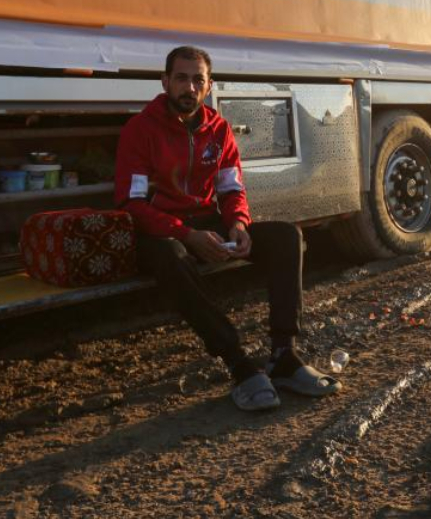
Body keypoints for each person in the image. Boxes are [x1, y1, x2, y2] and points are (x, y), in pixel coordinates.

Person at [115, 46, 341, 411]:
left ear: (208, 86)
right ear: (164, 82)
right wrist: (186, 235)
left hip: (207, 224)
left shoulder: (218, 128)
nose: (189, 87)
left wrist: (238, 224)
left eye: (197, 80)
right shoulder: (139, 130)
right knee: (172, 256)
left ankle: (284, 356)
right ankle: (239, 364)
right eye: (181, 78)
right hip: (159, 233)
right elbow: (133, 205)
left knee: (287, 237)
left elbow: (232, 188)